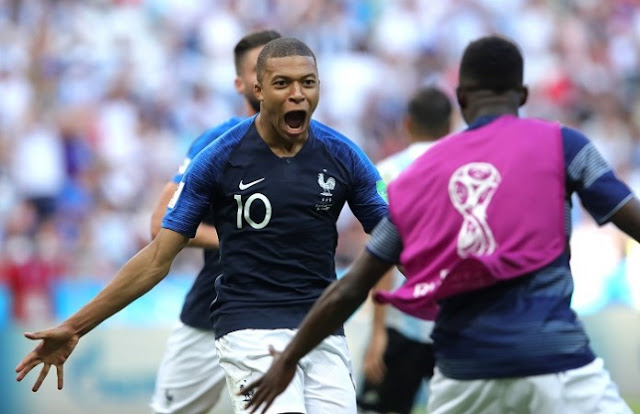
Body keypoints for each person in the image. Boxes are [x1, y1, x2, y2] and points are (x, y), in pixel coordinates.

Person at [240, 35, 637, 414]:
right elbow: (630, 217)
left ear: (461, 98)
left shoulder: (419, 175)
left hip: (464, 370)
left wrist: (288, 358)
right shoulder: (564, 145)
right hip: (555, 359)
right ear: (523, 94)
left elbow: (353, 286)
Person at [15, 37, 388, 414]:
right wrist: (75, 326)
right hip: (249, 326)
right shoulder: (218, 157)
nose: (297, 94)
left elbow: (393, 237)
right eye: (282, 84)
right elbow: (157, 256)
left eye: (307, 83)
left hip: (320, 328)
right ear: (257, 89)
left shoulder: (344, 156)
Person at [148, 30, 281, 414]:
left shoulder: (322, 147)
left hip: (286, 313)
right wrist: (233, 239)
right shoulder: (217, 142)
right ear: (240, 84)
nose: (270, 79)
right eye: (259, 70)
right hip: (213, 309)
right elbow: (160, 223)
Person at [357, 86, 452, 414]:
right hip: (454, 320)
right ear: (450, 124)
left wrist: (377, 332)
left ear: (408, 123)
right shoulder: (466, 169)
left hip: (400, 320)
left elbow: (381, 253)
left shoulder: (386, 173)